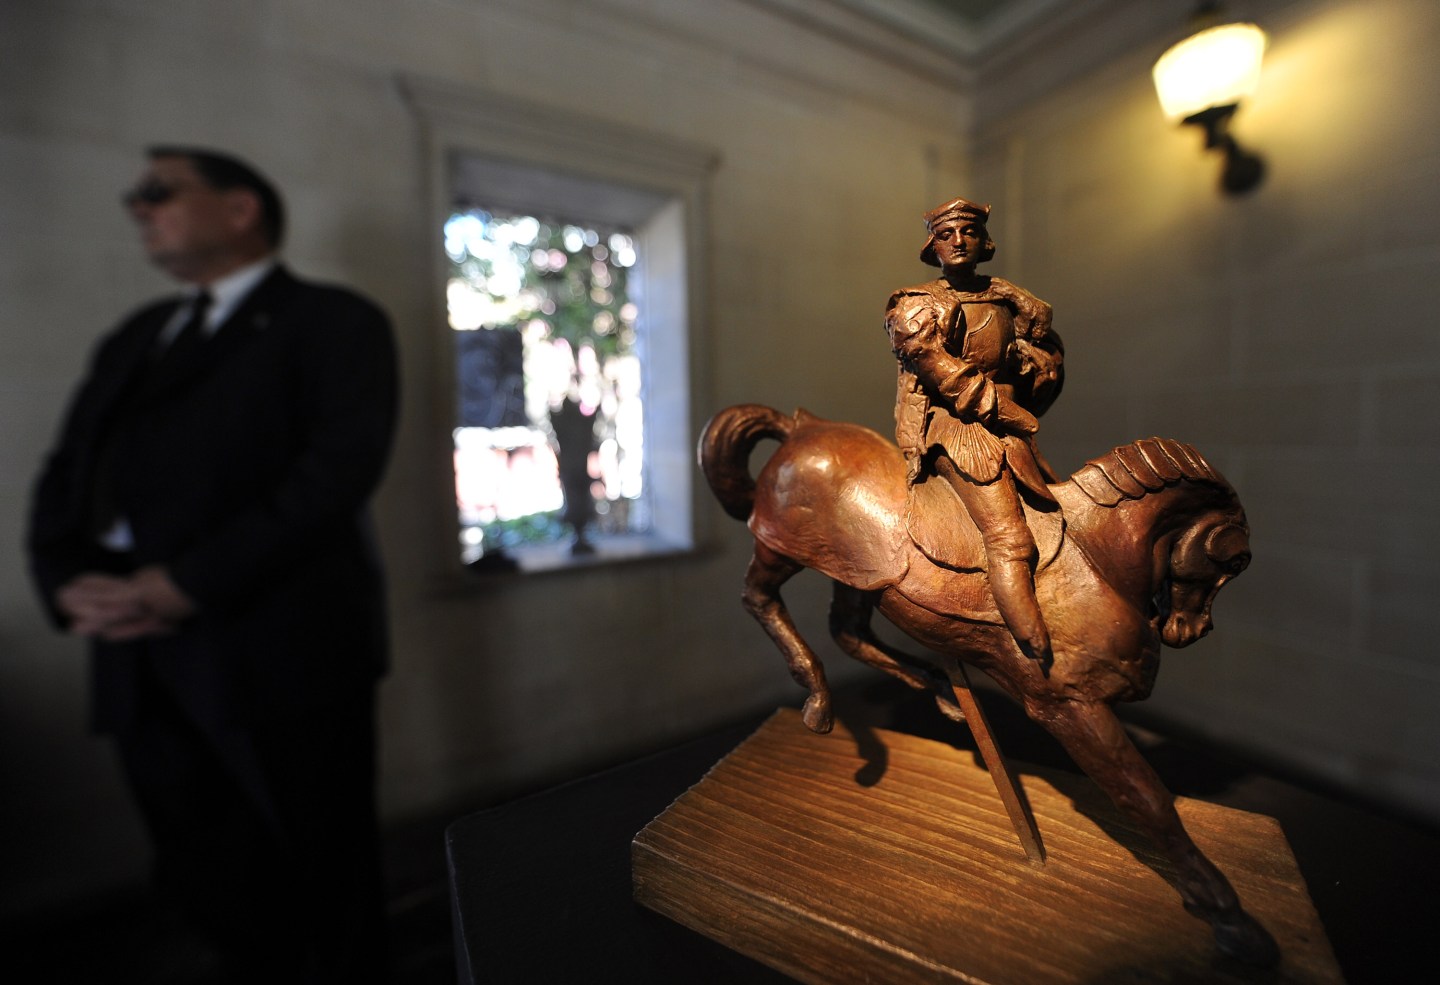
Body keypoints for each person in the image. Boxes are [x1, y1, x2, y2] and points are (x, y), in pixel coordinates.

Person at [26, 147, 399, 983]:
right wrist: (64, 584)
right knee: (201, 857)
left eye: (159, 191)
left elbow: (333, 476)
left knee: (321, 862)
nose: (138, 207)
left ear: (240, 210)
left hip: (281, 650)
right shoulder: (137, 336)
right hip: (134, 647)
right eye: (137, 194)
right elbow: (68, 468)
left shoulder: (334, 322)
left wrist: (185, 582)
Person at [886, 197, 1063, 664]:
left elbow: (1042, 357)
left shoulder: (1005, 299)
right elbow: (940, 371)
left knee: (1059, 514)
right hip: (957, 425)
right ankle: (1036, 654)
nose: (958, 242)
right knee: (1009, 537)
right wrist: (1004, 410)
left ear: (985, 242)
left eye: (968, 232)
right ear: (933, 246)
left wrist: (1038, 364)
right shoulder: (916, 305)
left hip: (1011, 425)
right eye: (946, 235)